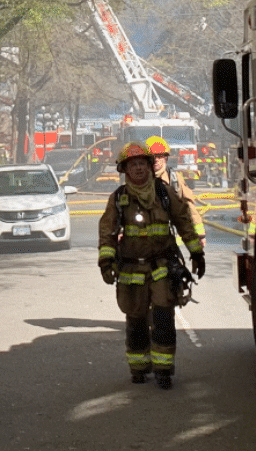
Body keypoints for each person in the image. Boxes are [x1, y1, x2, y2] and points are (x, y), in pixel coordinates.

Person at [98, 142, 205, 389]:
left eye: (142, 164)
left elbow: (184, 223)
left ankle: (164, 370)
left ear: (149, 166)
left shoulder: (165, 194)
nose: (138, 169)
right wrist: (106, 262)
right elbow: (108, 233)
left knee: (163, 316)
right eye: (133, 165)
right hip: (131, 269)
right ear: (124, 170)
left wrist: (196, 253)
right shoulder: (119, 199)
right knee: (135, 319)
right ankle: (138, 367)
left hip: (162, 266)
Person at [146, 135, 207, 247]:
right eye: (152, 156)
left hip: (168, 242)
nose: (155, 159)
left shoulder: (174, 178)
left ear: (165, 158)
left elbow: (188, 206)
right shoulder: (138, 179)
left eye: (159, 155)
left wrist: (200, 235)